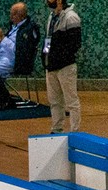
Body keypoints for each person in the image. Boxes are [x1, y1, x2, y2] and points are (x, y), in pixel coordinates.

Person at [42, 0, 81, 134]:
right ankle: (56, 129)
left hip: (65, 66)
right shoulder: (51, 17)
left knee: (71, 101)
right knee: (54, 101)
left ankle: (74, 131)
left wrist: (59, 58)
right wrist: (45, 57)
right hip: (51, 66)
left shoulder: (71, 18)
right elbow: (47, 39)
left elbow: (74, 44)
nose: (47, 1)